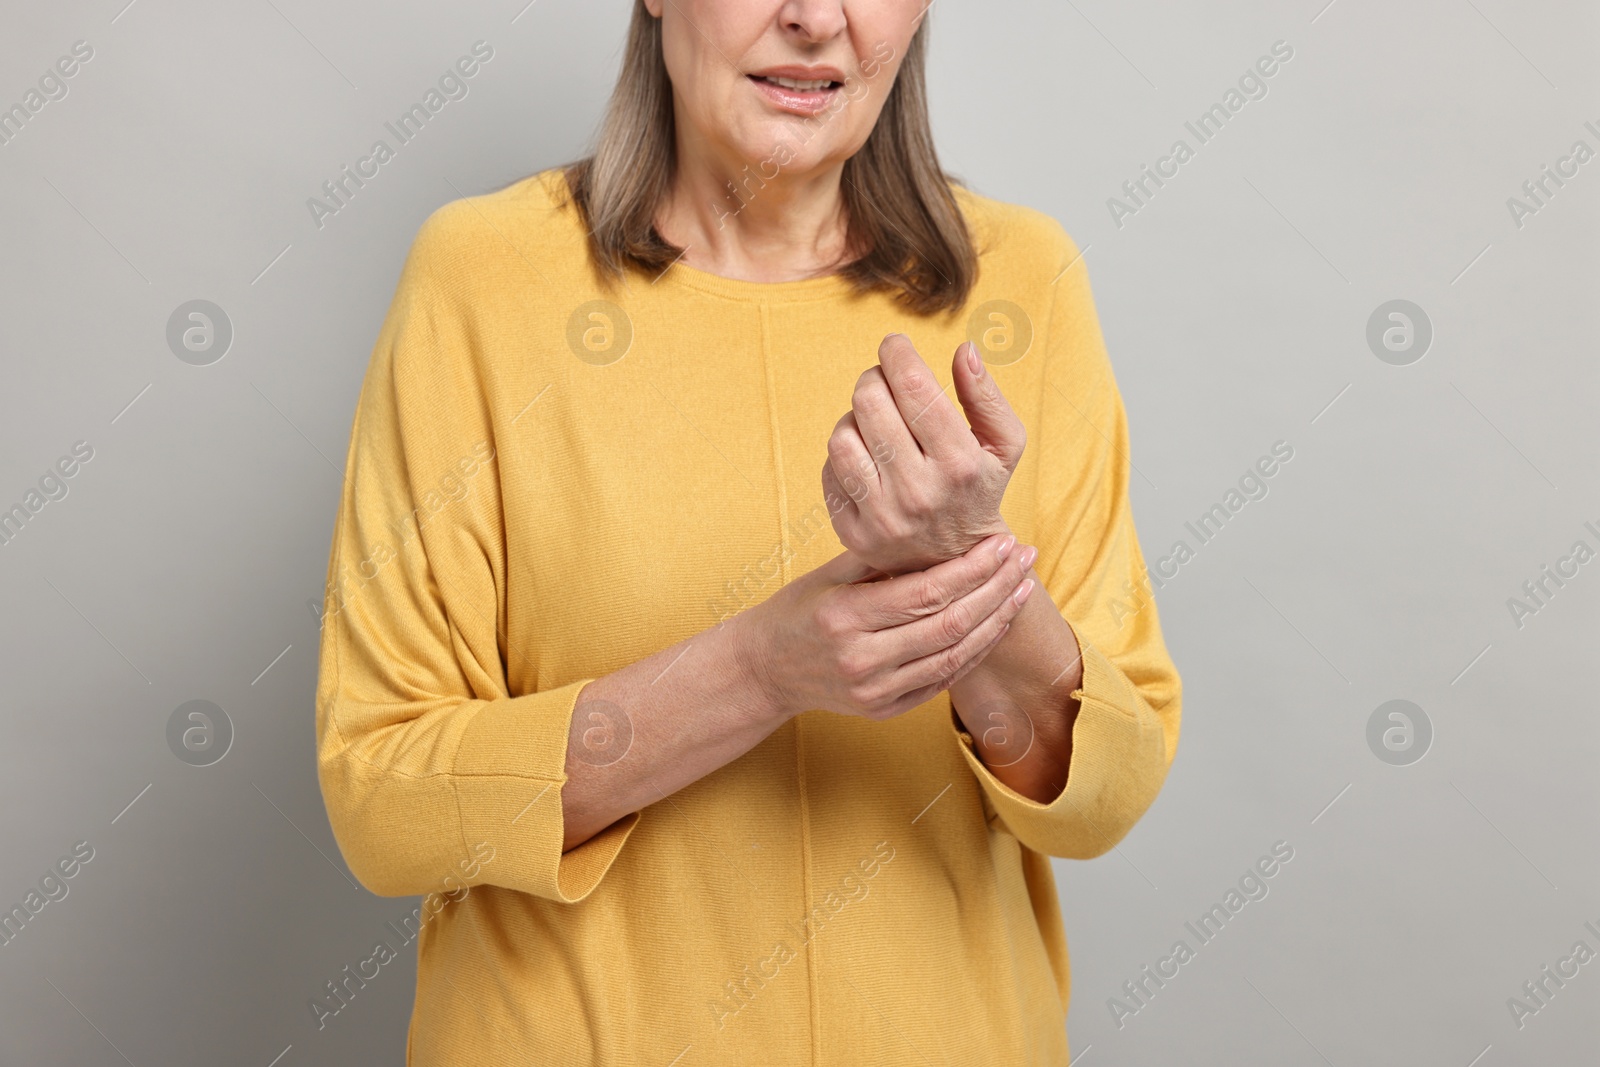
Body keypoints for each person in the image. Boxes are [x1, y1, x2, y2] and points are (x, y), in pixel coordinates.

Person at [313, 1, 1181, 1062]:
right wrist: (762, 669)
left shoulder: (1023, 281)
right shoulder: (482, 277)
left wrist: (964, 565)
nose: (815, 18)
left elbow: (1106, 793)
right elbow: (385, 794)